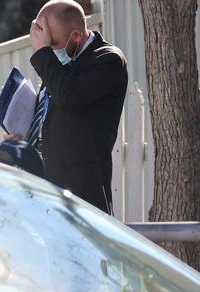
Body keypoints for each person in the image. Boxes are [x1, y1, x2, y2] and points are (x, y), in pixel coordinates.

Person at [28, 0, 128, 214]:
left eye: (52, 43)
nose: (48, 51)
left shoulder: (108, 60)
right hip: (48, 191)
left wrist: (42, 53)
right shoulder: (61, 64)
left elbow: (69, 95)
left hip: (84, 196)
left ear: (76, 36)